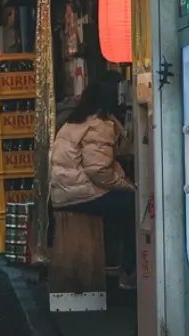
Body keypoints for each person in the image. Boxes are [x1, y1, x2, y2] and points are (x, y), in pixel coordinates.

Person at [49, 79, 137, 289]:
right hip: (78, 194)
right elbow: (98, 170)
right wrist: (128, 185)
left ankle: (112, 261)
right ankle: (130, 270)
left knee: (119, 205)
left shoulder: (76, 119)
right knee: (134, 204)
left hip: (65, 191)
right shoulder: (100, 124)